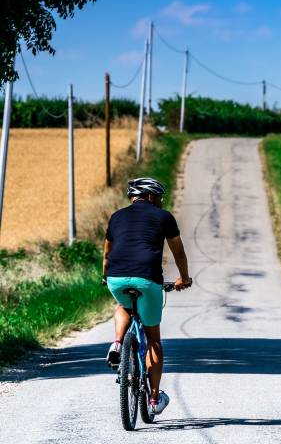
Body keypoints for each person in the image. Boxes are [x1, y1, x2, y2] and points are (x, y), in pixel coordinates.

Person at [102, 177, 192, 415]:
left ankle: (118, 342)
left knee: (124, 305)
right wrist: (184, 278)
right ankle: (153, 399)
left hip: (116, 277)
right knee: (153, 340)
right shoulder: (164, 217)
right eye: (160, 197)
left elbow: (107, 254)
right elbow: (179, 252)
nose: (161, 202)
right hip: (148, 278)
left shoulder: (116, 217)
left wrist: (105, 277)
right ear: (150, 196)